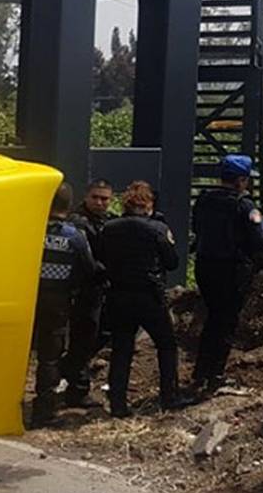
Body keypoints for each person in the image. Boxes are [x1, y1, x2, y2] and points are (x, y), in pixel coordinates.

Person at [99, 181, 191, 417]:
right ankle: (169, 397)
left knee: (122, 348)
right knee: (167, 345)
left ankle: (118, 403)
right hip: (149, 295)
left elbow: (101, 257)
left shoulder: (109, 228)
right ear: (148, 204)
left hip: (118, 294)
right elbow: (172, 262)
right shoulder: (158, 229)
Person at [191, 154, 263, 393]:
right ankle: (215, 375)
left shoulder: (204, 200)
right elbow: (260, 243)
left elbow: (196, 227)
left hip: (205, 267)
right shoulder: (244, 206)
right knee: (226, 322)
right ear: (240, 180)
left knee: (212, 319)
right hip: (232, 270)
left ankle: (200, 373)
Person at [31, 182, 97, 427]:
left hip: (28, 299)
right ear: (69, 206)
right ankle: (43, 412)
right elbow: (88, 268)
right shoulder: (73, 236)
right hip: (58, 302)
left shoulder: (31, 229)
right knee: (49, 358)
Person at [61, 179, 116, 407]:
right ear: (86, 197)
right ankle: (77, 389)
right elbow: (87, 260)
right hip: (83, 289)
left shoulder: (109, 222)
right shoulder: (77, 223)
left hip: (101, 287)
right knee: (83, 338)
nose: (99, 202)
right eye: (95, 197)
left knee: (100, 334)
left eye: (104, 198)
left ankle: (68, 369)